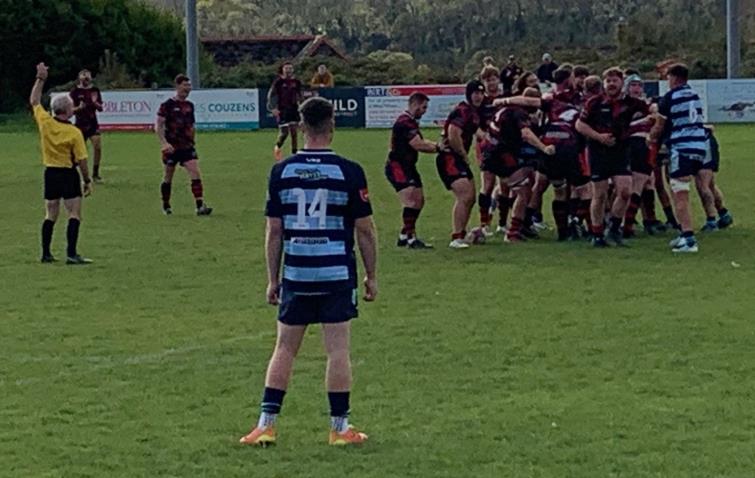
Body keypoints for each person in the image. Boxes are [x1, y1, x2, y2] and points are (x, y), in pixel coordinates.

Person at [239, 97, 378, 447]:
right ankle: (339, 428)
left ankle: (266, 425)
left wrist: (273, 278)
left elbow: (274, 231)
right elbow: (365, 229)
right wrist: (371, 274)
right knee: (337, 350)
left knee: (284, 348)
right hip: (335, 273)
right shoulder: (349, 171)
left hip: (297, 273)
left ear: (301, 128)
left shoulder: (281, 171)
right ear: (332, 126)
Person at [576, 67, 651, 247]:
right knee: (600, 195)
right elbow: (580, 125)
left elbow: (652, 112)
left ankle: (614, 228)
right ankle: (597, 234)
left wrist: (652, 120)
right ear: (604, 84)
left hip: (621, 151)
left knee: (625, 191)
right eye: (608, 81)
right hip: (597, 151)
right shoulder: (594, 103)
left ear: (621, 83)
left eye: (614, 81)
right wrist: (599, 137)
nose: (611, 84)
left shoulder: (632, 103)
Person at [31, 63, 93, 265]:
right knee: (74, 213)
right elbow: (82, 160)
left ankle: (46, 253)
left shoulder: (46, 123)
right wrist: (87, 180)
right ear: (68, 110)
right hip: (67, 173)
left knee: (50, 213)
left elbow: (34, 101)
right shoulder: (74, 132)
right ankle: (71, 253)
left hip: (50, 172)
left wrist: (41, 79)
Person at [649, 63, 709, 252]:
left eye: (668, 77)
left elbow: (659, 126)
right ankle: (685, 234)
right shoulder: (693, 95)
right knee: (687, 188)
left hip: (682, 147)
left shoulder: (670, 97)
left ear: (674, 78)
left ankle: (689, 240)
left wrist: (650, 138)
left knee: (679, 191)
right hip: (700, 147)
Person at [485, 89, 556, 242]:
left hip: (492, 151)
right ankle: (513, 232)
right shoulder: (519, 113)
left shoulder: (504, 110)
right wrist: (544, 147)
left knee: (515, 186)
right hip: (502, 153)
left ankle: (509, 225)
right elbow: (526, 134)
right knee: (523, 190)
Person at [385, 92, 441, 249]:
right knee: (410, 200)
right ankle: (411, 238)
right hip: (397, 166)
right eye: (423, 107)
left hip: (408, 166)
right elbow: (418, 144)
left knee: (419, 200)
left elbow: (420, 142)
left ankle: (404, 235)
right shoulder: (405, 122)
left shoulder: (410, 121)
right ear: (415, 105)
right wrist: (439, 148)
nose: (424, 111)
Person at [436, 80, 485, 249]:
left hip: (457, 158)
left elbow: (476, 132)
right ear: (469, 94)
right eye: (475, 93)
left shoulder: (473, 112)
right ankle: (456, 237)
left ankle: (462, 233)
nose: (479, 96)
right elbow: (453, 133)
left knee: (471, 197)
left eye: (481, 93)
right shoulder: (462, 110)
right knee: (464, 195)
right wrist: (463, 154)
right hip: (450, 157)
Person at [156, 74, 213, 216]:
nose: (188, 89)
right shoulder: (167, 105)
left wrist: (192, 139)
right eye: (185, 85)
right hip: (172, 147)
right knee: (168, 175)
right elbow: (159, 125)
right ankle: (166, 205)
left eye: (189, 86)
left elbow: (191, 125)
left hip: (186, 146)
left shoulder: (189, 106)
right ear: (177, 86)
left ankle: (200, 205)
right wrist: (164, 143)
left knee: (195, 172)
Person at [70, 69, 104, 182]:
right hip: (80, 124)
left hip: (92, 123)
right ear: (79, 78)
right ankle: (75, 171)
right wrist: (78, 108)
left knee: (97, 147)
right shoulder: (75, 91)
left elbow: (101, 108)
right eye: (84, 75)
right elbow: (70, 110)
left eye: (88, 76)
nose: (86, 78)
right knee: (79, 151)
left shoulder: (95, 90)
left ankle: (95, 173)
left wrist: (95, 103)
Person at [269, 62, 304, 161]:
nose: (288, 70)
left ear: (293, 70)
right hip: (282, 109)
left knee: (294, 132)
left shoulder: (296, 82)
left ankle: (294, 153)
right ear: (283, 70)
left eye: (290, 68)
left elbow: (300, 94)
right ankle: (277, 147)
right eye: (286, 68)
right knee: (284, 133)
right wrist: (273, 108)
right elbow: (271, 95)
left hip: (293, 109)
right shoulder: (278, 82)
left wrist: (302, 105)